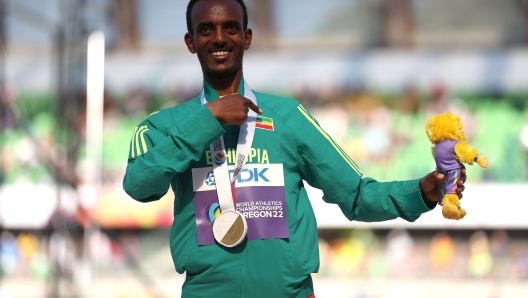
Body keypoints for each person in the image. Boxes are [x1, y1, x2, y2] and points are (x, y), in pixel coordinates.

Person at [122, 0, 467, 297]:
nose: (219, 38)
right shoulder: (164, 125)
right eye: (206, 29)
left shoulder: (288, 116)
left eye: (230, 27)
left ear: (247, 37)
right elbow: (139, 186)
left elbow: (356, 196)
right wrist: (208, 119)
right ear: (191, 42)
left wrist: (419, 194)